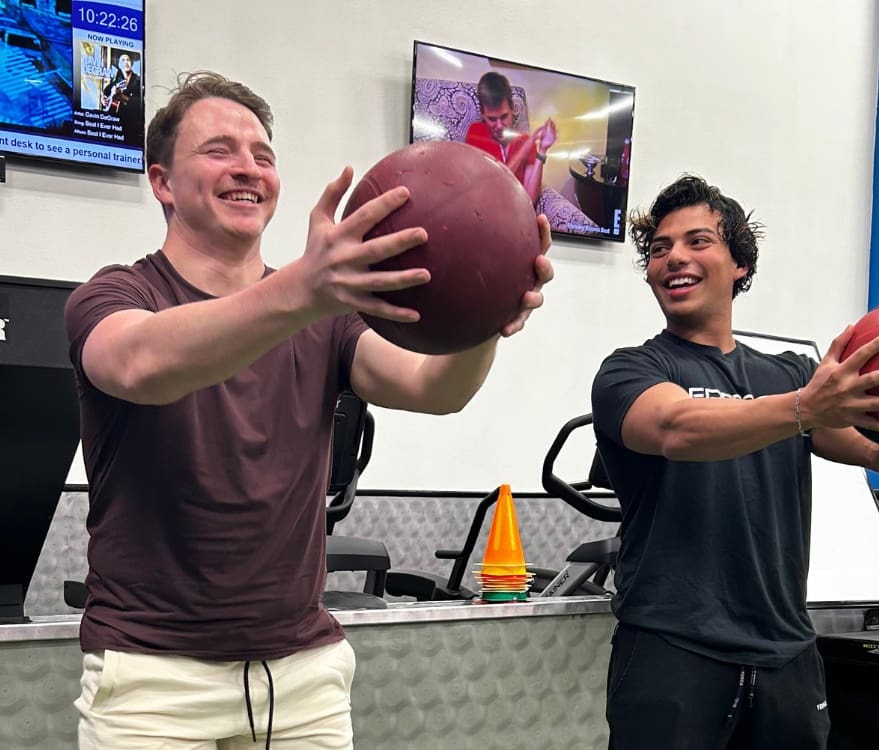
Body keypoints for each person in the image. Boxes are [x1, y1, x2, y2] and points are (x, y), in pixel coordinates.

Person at [65, 70, 554, 749]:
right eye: (219, 150)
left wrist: (485, 318)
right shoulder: (116, 296)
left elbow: (434, 390)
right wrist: (306, 289)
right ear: (162, 182)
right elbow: (139, 364)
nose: (248, 168)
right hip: (152, 681)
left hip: (301, 679)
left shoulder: (324, 318)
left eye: (263, 155)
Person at [590, 174, 879, 749]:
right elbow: (675, 428)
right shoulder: (631, 371)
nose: (673, 257)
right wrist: (807, 405)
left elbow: (875, 450)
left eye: (697, 241)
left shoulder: (786, 375)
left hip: (787, 652)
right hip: (671, 647)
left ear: (739, 265)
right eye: (659, 249)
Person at [465, 71, 556, 206]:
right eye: (492, 119)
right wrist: (525, 149)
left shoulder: (525, 141)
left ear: (512, 109)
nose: (499, 126)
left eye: (503, 117)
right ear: (482, 114)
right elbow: (494, 187)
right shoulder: (476, 133)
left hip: (518, 213)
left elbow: (530, 200)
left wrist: (542, 150)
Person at [101, 52, 142, 141]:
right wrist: (103, 99)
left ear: (131, 63)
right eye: (123, 60)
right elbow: (106, 91)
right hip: (116, 125)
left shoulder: (138, 81)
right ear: (119, 65)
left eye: (128, 60)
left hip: (132, 124)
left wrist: (122, 96)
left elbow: (140, 104)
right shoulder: (117, 80)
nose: (126, 62)